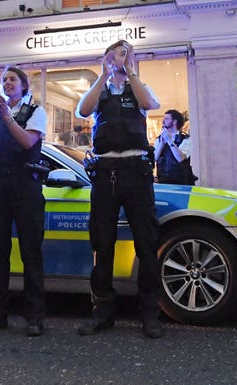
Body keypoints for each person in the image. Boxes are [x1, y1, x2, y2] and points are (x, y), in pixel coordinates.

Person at [75, 40, 163, 338]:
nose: (118, 59)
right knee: (102, 243)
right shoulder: (101, 89)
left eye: (124, 54)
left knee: (146, 242)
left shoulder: (138, 86)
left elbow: (149, 104)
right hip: (105, 172)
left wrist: (130, 71)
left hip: (136, 171)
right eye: (114, 54)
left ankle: (150, 314)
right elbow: (83, 110)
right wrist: (102, 76)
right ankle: (102, 311)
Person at [0, 67, 47, 337]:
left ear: (24, 86)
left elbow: (28, 142)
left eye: (12, 79)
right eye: (4, 80)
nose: (7, 83)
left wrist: (7, 118)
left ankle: (34, 317)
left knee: (30, 253)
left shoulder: (35, 111)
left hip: (25, 185)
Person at [154, 109, 196, 185]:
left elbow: (180, 158)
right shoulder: (159, 139)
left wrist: (169, 141)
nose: (163, 121)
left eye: (166, 118)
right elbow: (154, 158)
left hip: (181, 183)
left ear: (174, 121)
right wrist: (162, 144)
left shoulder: (185, 139)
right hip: (163, 182)